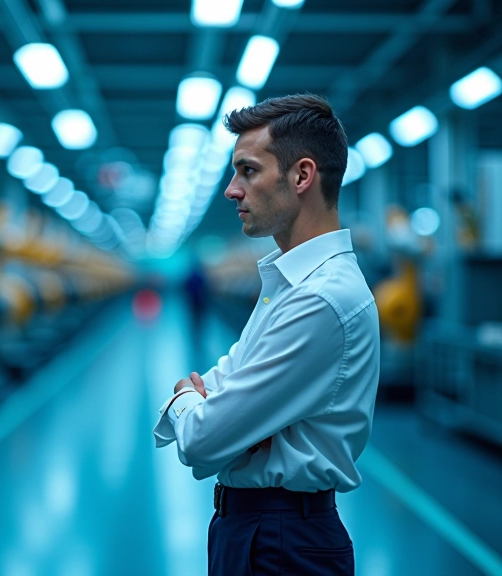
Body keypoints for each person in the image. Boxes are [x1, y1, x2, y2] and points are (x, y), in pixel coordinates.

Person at [153, 94, 380, 576]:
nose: (231, 190)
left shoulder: (321, 299)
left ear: (301, 176)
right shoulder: (289, 283)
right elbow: (223, 391)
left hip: (283, 542)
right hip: (256, 529)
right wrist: (231, 420)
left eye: (248, 171)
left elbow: (202, 438)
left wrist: (185, 401)